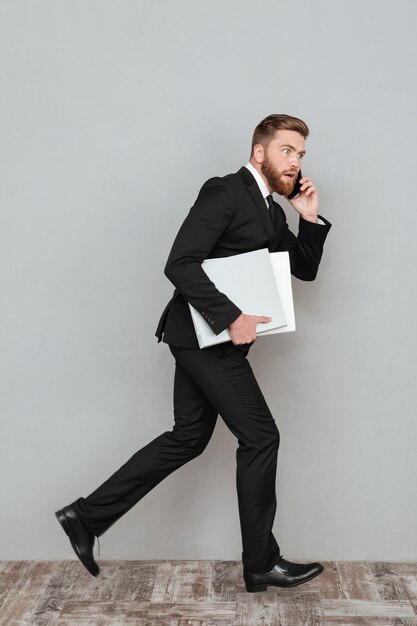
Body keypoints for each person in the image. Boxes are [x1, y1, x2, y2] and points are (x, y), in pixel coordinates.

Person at [55, 114, 331, 593]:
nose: (296, 161)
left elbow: (302, 270)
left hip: (206, 341)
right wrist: (231, 317)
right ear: (259, 152)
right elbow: (179, 262)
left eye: (301, 154)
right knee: (262, 437)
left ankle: (86, 515)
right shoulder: (225, 191)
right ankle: (261, 561)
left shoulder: (272, 212)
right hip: (206, 337)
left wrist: (308, 217)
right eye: (287, 150)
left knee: (188, 437)